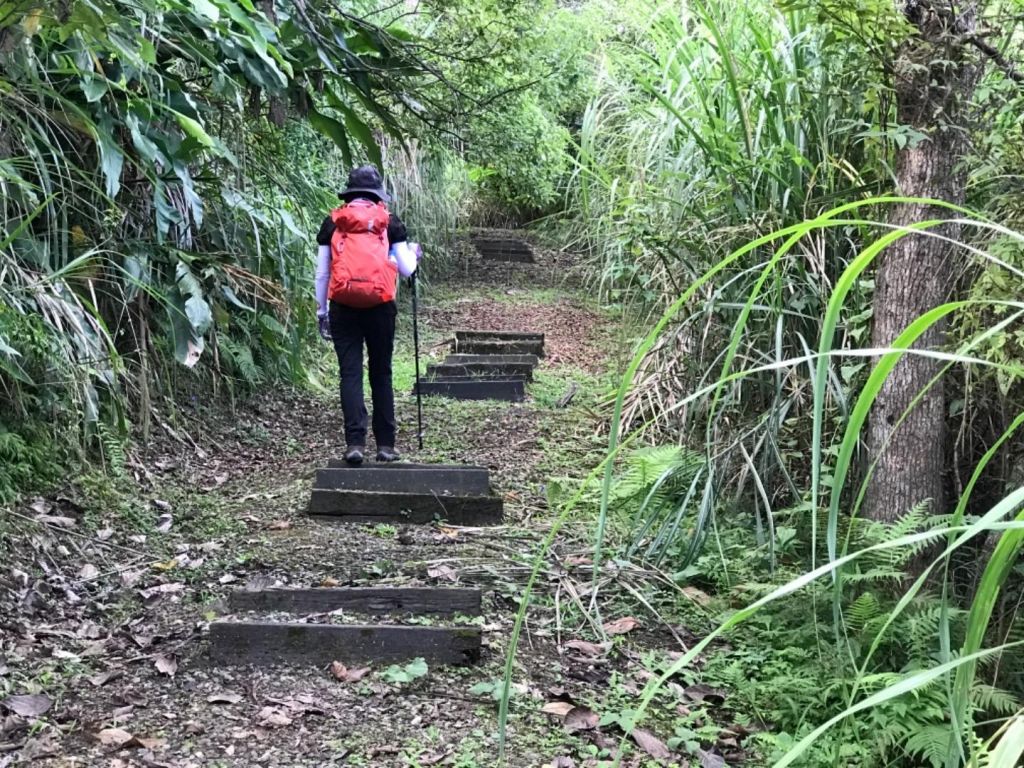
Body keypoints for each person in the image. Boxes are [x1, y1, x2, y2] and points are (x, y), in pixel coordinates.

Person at [315, 164, 418, 464]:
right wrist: (415, 253)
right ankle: (386, 445)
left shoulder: (333, 223)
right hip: (380, 307)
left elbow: (322, 274)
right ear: (376, 194)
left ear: (350, 193)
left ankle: (355, 444)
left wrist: (322, 312)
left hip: (343, 306)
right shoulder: (390, 223)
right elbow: (407, 268)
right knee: (381, 372)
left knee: (350, 373)